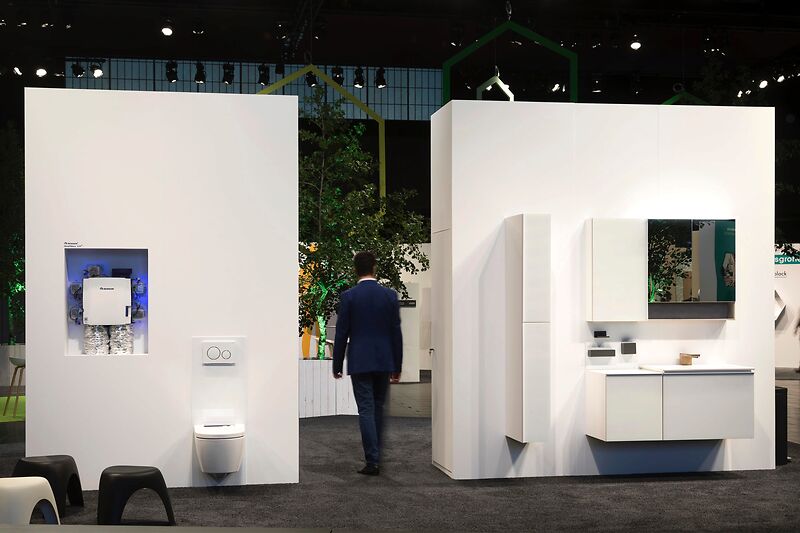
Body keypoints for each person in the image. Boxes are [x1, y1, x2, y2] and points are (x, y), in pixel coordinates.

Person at [332, 251, 402, 476]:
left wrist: (337, 364)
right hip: (384, 360)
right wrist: (397, 365)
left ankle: (372, 461)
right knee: (378, 407)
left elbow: (342, 333)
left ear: (356, 269)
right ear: (374, 267)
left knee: (366, 409)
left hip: (360, 360)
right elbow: (396, 333)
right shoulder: (389, 296)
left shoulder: (349, 297)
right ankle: (376, 456)